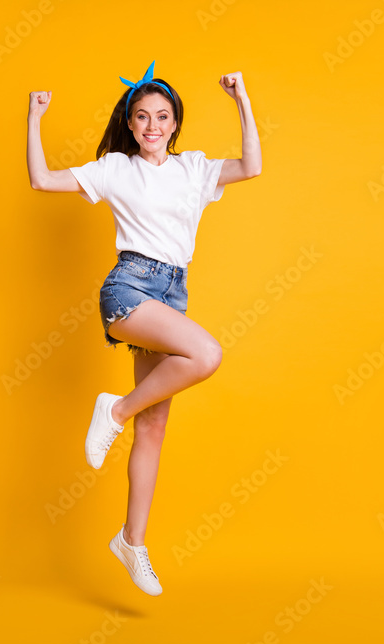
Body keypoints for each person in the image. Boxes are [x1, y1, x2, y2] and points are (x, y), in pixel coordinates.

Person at [26, 60, 262, 595]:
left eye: (162, 117)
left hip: (172, 292)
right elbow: (41, 180)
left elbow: (251, 165)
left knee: (153, 428)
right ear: (129, 125)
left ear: (175, 123)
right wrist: (35, 119)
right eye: (141, 117)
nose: (152, 126)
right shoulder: (115, 168)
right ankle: (114, 409)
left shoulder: (193, 169)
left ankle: (132, 542)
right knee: (205, 355)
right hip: (130, 287)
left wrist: (240, 98)